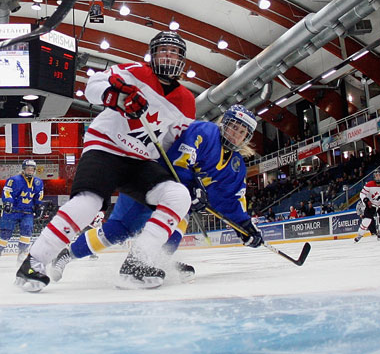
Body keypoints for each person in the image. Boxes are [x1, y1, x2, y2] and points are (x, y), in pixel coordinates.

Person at [16, 31, 196, 292]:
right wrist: (117, 96)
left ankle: (138, 262)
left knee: (179, 196)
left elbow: (170, 141)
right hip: (106, 146)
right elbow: (93, 85)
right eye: (163, 50)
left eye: (174, 52)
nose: (168, 56)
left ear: (182, 60)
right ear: (153, 55)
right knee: (89, 202)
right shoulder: (135, 71)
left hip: (140, 160)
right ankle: (35, 261)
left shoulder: (187, 102)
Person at [48, 105, 262, 287]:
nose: (235, 133)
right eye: (233, 126)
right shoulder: (206, 131)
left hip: (177, 197)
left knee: (179, 220)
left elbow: (229, 199)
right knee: (121, 229)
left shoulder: (236, 167)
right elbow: (181, 160)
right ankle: (68, 253)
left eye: (241, 131)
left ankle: (154, 262)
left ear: (246, 138)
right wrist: (192, 188)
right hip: (151, 180)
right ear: (224, 122)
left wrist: (244, 226)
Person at [0, 160, 44, 263]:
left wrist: (38, 205)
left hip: (27, 211)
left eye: (32, 169)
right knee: (5, 233)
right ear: (23, 169)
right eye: (28, 168)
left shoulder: (38, 182)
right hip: (12, 210)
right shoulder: (14, 180)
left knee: (27, 230)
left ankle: (22, 253)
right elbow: (7, 191)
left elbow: (39, 195)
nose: (30, 171)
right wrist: (8, 202)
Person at [354, 169, 380, 242]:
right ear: (374, 177)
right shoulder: (369, 184)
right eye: (376, 176)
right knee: (367, 220)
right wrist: (366, 200)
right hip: (371, 205)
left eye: (379, 175)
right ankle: (360, 235)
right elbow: (362, 194)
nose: (378, 177)